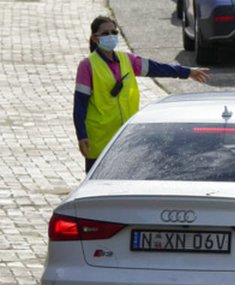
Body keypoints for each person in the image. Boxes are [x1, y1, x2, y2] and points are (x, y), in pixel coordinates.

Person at [74, 16, 210, 172]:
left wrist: (187, 72)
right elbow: (79, 105)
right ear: (95, 39)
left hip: (126, 139)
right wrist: (81, 136)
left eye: (114, 32)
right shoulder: (87, 66)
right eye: (105, 34)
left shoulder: (127, 60)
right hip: (100, 140)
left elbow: (156, 68)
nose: (110, 36)